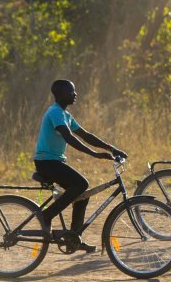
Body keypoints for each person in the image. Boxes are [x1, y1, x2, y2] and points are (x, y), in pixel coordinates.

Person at [33, 80, 127, 253]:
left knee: (82, 195)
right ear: (60, 94)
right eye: (71, 91)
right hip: (46, 163)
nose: (75, 94)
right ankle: (47, 215)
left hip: (54, 162)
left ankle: (73, 238)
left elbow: (86, 135)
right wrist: (94, 154)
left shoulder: (65, 115)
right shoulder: (55, 112)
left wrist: (111, 148)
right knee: (81, 184)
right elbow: (68, 137)